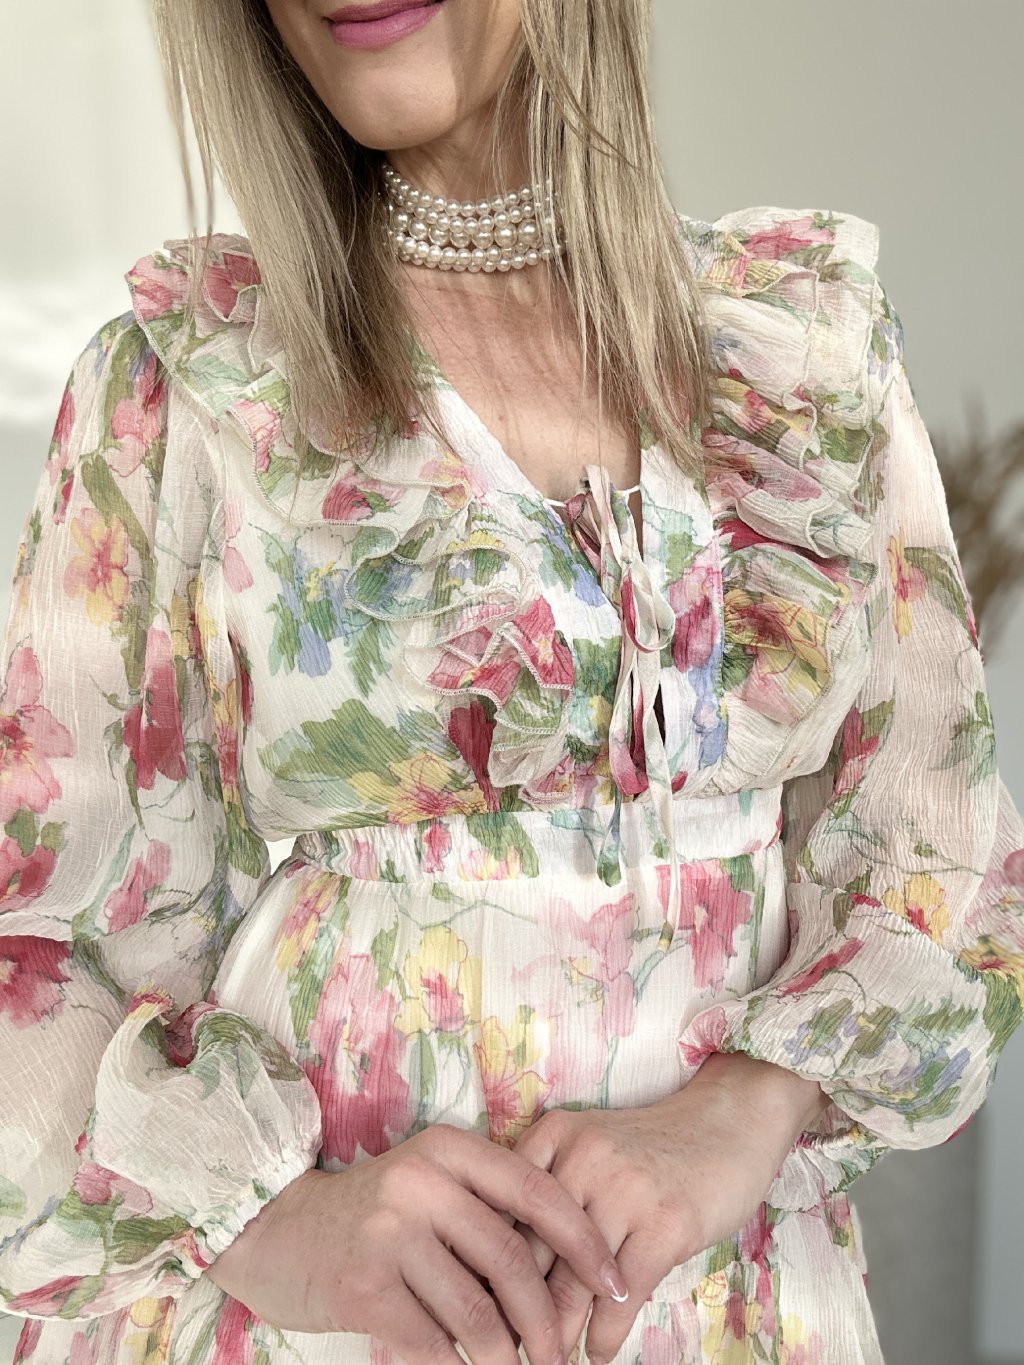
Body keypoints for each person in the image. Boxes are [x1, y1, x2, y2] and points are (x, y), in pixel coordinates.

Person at [2, 0, 1023, 1361]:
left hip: (742, 1312)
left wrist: (749, 1102)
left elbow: (944, 863)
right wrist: (283, 1226)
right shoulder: (184, 386)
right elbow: (35, 946)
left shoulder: (810, 355)